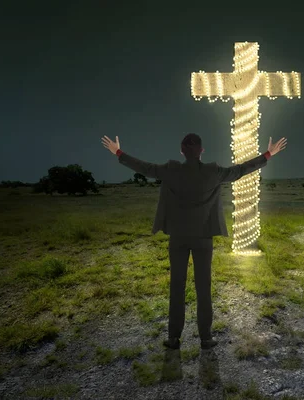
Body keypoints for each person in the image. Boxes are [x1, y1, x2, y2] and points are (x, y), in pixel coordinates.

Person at [101, 133, 288, 350]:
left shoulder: (171, 169)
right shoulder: (213, 171)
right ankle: (206, 338)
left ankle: (173, 338)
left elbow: (144, 167)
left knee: (177, 287)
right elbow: (240, 170)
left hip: (178, 238)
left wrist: (118, 152)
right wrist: (268, 154)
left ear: (181, 151)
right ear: (202, 152)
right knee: (203, 286)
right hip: (203, 239)